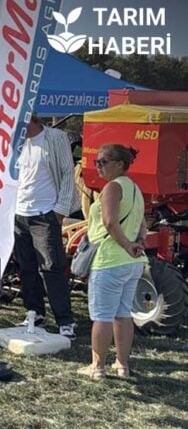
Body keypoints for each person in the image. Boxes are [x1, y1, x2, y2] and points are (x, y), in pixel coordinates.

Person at [0, 114, 79, 338]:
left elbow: (66, 174)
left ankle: (65, 320)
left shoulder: (54, 137)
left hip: (44, 214)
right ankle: (35, 312)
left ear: (30, 119)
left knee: (51, 266)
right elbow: (7, 177)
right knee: (27, 267)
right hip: (18, 214)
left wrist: (60, 211)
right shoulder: (14, 144)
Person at [77, 144, 147, 380]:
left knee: (102, 316)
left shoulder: (112, 188)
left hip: (109, 259)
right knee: (123, 313)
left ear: (119, 164)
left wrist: (127, 244)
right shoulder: (134, 189)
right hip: (132, 262)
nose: (98, 166)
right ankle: (122, 365)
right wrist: (137, 242)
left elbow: (109, 222)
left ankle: (97, 366)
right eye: (96, 162)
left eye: (103, 161)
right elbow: (143, 224)